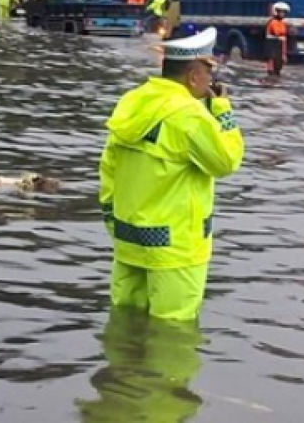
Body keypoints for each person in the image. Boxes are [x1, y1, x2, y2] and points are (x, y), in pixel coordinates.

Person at [99, 28, 244, 321]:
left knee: (124, 324)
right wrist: (223, 111)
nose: (210, 82)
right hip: (175, 248)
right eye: (209, 73)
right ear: (193, 76)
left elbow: (108, 167)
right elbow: (226, 161)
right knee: (173, 335)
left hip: (129, 238)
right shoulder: (188, 115)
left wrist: (112, 221)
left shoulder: (132, 101)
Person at [265, 2, 290, 77]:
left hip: (279, 47)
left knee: (278, 68)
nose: (283, 14)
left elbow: (283, 37)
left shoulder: (282, 23)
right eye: (281, 12)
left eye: (284, 12)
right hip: (272, 46)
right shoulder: (273, 22)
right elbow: (277, 32)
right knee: (272, 68)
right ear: (276, 12)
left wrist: (284, 54)